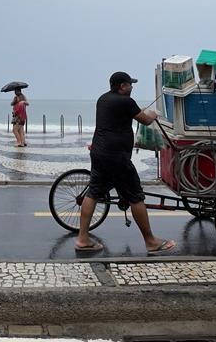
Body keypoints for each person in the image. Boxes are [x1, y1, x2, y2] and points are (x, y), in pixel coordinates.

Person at [74, 71, 176, 255]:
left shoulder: (103, 99)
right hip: (116, 158)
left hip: (99, 152)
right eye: (130, 84)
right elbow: (144, 120)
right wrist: (152, 114)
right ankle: (151, 242)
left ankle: (82, 239)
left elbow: (119, 121)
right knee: (135, 196)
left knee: (94, 192)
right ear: (122, 86)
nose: (132, 87)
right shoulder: (125, 101)